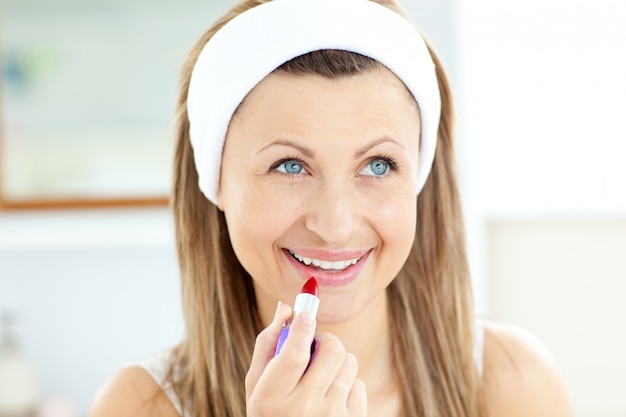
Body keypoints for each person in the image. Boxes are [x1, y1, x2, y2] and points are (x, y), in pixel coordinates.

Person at [89, 0, 573, 416]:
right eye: (289, 166)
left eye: (379, 166)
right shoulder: (138, 405)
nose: (336, 225)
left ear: (419, 180)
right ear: (216, 181)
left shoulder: (514, 383)